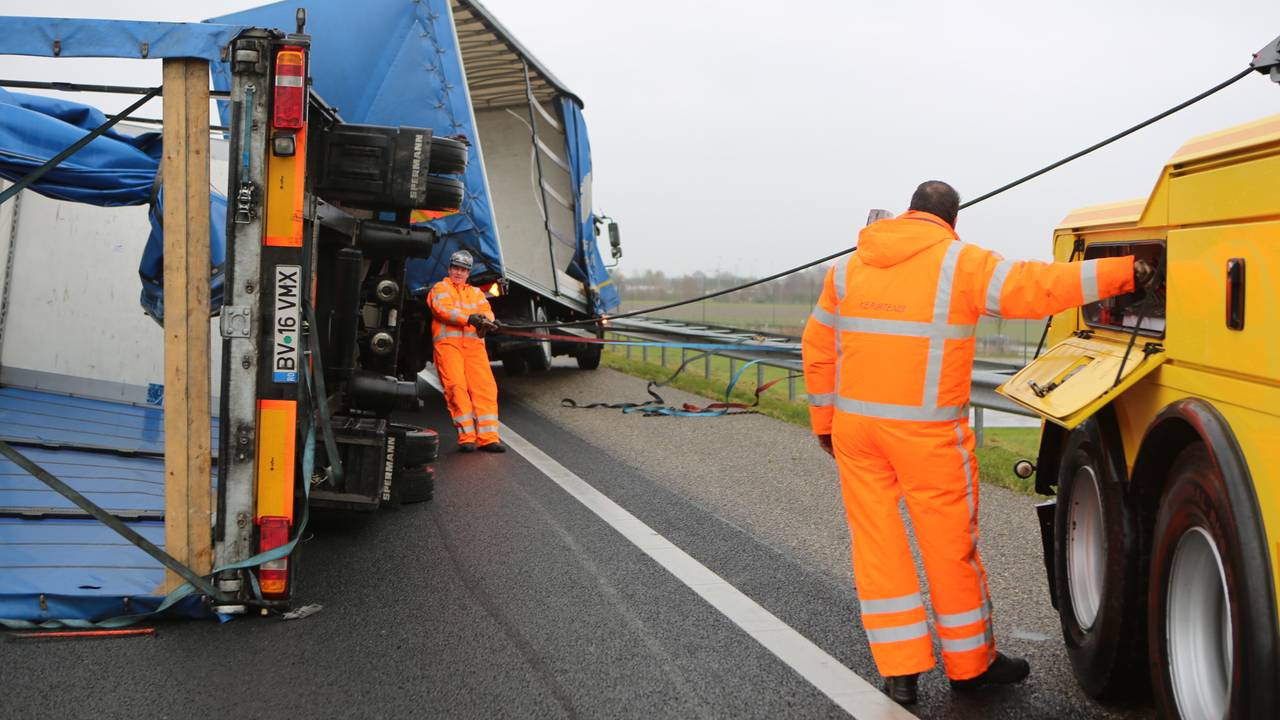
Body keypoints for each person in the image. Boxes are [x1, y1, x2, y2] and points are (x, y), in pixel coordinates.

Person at [801, 181, 1154, 706]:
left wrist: (825, 423)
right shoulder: (959, 263)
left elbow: (818, 345)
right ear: (952, 219)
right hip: (926, 436)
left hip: (857, 434)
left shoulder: (851, 266)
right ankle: (970, 666)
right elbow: (1038, 287)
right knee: (948, 549)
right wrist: (1124, 271)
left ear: (908, 212)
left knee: (878, 549)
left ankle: (901, 675)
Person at [428, 249, 505, 453]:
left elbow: (485, 310)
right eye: (456, 268)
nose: (459, 272)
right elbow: (443, 310)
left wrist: (489, 321)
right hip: (449, 347)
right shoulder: (440, 288)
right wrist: (469, 318)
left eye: (463, 269)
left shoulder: (476, 293)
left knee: (486, 389)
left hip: (474, 348)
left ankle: (488, 438)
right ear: (449, 268)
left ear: (468, 272)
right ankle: (466, 437)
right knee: (456, 387)